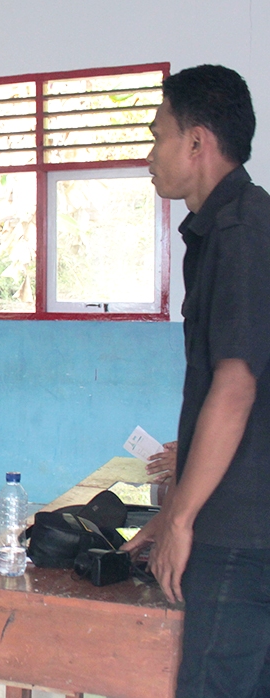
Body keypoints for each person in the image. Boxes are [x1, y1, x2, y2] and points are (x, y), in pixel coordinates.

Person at [120, 65, 270, 697]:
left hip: (240, 533)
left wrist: (182, 521)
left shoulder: (241, 232)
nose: (148, 155)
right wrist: (171, 506)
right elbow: (210, 391)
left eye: (158, 135)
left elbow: (234, 390)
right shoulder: (226, 227)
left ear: (197, 142)